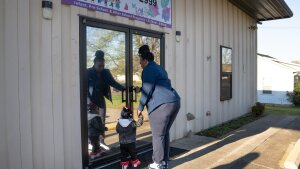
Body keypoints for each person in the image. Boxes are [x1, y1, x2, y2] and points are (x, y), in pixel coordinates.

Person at [135, 45, 181, 169]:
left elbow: (148, 89)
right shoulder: (159, 68)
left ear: (145, 60)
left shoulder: (148, 69)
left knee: (157, 135)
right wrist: (141, 89)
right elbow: (157, 86)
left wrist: (140, 107)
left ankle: (157, 163)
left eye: (140, 61)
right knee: (164, 133)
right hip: (174, 102)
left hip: (162, 105)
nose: (140, 63)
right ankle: (164, 162)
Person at [87, 50, 125, 145]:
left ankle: (101, 142)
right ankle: (91, 143)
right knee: (91, 123)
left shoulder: (106, 72)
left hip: (100, 100)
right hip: (90, 102)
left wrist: (125, 89)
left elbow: (113, 83)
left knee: (102, 122)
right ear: (94, 64)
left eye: (103, 65)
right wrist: (88, 102)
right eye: (99, 66)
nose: (101, 68)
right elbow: (84, 89)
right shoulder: (88, 72)